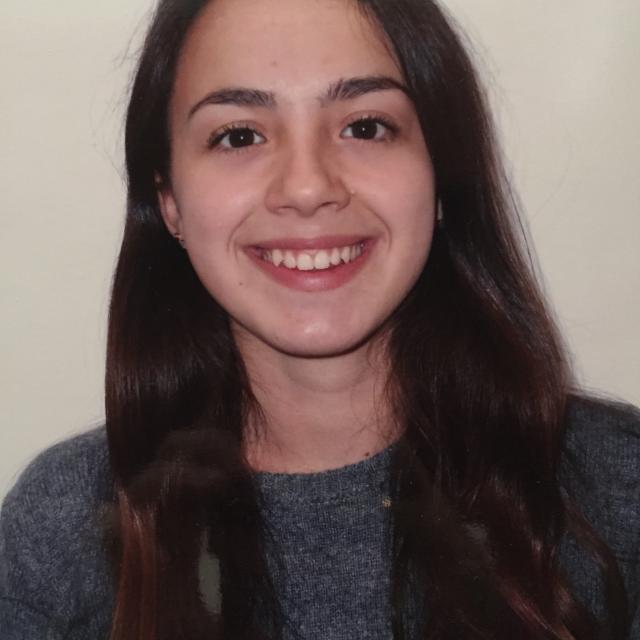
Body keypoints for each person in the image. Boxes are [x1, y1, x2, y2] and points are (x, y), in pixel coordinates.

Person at [0, 0, 638, 638]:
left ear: (440, 175)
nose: (307, 189)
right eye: (239, 136)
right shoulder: (60, 533)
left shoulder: (617, 486)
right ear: (169, 201)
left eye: (365, 127)